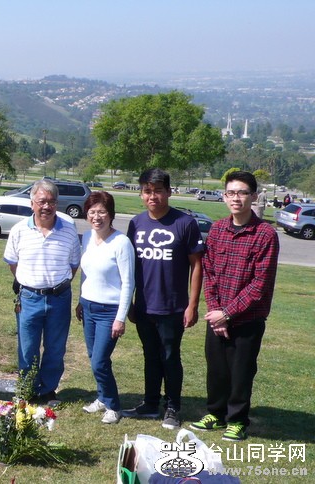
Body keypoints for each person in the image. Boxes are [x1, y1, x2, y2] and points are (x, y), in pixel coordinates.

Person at [191, 171, 279, 442]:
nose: (236, 198)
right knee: (216, 370)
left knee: (241, 372)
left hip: (247, 319)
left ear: (253, 196)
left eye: (242, 193)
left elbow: (260, 284)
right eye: (231, 193)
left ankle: (238, 420)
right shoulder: (217, 229)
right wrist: (216, 312)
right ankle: (215, 414)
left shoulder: (265, 234)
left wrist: (227, 314)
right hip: (217, 316)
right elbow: (210, 273)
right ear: (224, 196)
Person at [123, 168, 204, 429]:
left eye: (158, 190)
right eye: (147, 191)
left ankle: (172, 407)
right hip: (144, 305)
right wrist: (130, 303)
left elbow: (197, 265)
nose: (152, 196)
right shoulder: (136, 223)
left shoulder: (185, 223)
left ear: (169, 192)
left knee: (170, 356)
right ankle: (150, 403)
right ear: (141, 194)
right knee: (150, 355)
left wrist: (192, 305)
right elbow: (129, 267)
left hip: (172, 307)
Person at [3, 179, 81, 403]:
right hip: (28, 298)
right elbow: (13, 263)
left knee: (55, 348)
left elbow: (73, 264)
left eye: (51, 202)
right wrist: (31, 282)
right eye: (42, 201)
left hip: (59, 298)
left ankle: (47, 390)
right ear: (32, 203)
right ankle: (27, 389)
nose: (47, 206)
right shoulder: (19, 230)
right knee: (27, 349)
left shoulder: (69, 230)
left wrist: (55, 284)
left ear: (57, 204)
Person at [76, 191, 135, 424]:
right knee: (94, 358)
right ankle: (102, 397)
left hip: (109, 311)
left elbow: (128, 283)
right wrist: (80, 300)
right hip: (88, 306)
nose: (97, 217)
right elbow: (86, 274)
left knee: (99, 361)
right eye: (92, 212)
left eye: (102, 212)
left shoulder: (121, 243)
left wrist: (120, 318)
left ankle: (113, 406)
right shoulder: (87, 237)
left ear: (111, 215)